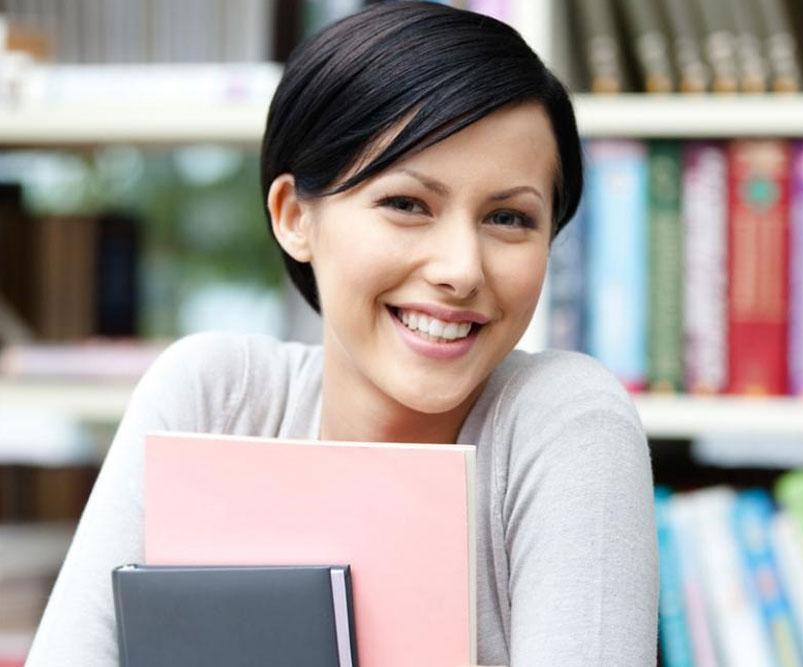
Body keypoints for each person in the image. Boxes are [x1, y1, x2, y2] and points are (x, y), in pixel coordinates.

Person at [26, 3, 657, 665]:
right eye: (408, 204)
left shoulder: (564, 419)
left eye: (508, 217)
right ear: (294, 215)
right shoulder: (214, 401)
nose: (461, 270)